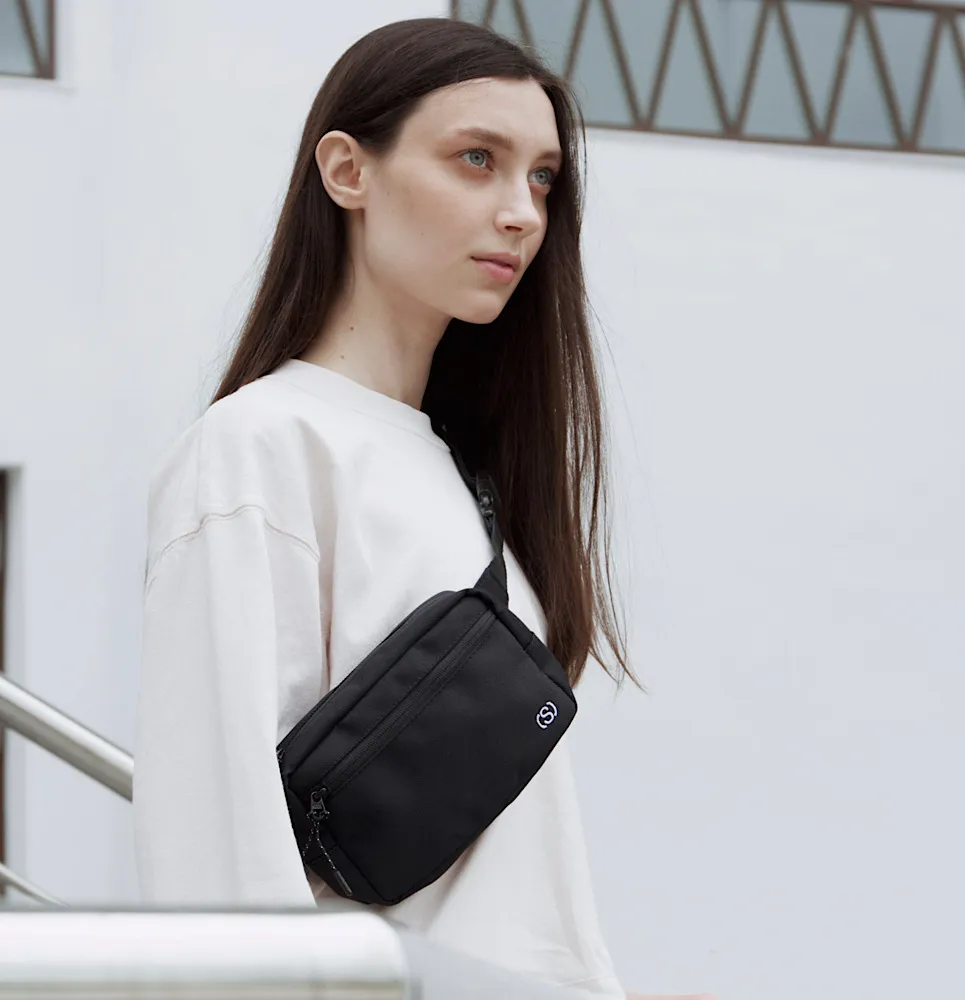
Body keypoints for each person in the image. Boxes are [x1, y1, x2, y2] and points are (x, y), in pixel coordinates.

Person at [132, 16, 715, 1000]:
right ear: (347, 171)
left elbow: (499, 894)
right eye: (476, 159)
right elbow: (218, 853)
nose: (522, 213)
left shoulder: (460, 472)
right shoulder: (262, 449)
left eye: (541, 178)